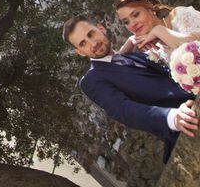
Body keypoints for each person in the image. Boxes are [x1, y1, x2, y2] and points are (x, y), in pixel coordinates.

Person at [63, 15, 197, 162]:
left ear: (101, 28)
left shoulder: (133, 55)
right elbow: (124, 109)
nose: (92, 43)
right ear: (80, 52)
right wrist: (172, 117)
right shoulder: (91, 80)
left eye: (91, 34)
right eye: (83, 43)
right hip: (187, 126)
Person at [115, 0, 200, 61]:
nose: (133, 24)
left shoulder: (180, 15)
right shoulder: (154, 51)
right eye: (126, 22)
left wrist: (158, 30)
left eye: (136, 14)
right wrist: (130, 42)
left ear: (151, 10)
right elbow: (113, 65)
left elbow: (194, 45)